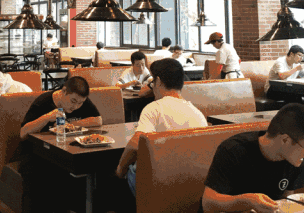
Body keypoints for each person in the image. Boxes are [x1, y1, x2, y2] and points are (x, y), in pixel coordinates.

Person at [199, 103, 304, 213]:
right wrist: (249, 201)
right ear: (285, 140)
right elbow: (208, 203)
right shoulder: (233, 150)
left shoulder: (294, 159)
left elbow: (286, 203)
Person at [116, 58, 208, 197]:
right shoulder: (198, 114)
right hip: (191, 183)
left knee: (128, 170)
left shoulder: (154, 108)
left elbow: (136, 144)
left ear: (158, 81)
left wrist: (120, 169)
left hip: (158, 184)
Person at [19, 77, 102, 212]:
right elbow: (23, 133)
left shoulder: (80, 99)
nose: (75, 106)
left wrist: (69, 125)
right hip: (36, 155)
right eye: (73, 101)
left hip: (66, 153)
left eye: (80, 103)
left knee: (97, 172)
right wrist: (47, 117)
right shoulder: (43, 102)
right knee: (44, 177)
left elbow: (98, 120)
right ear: (63, 91)